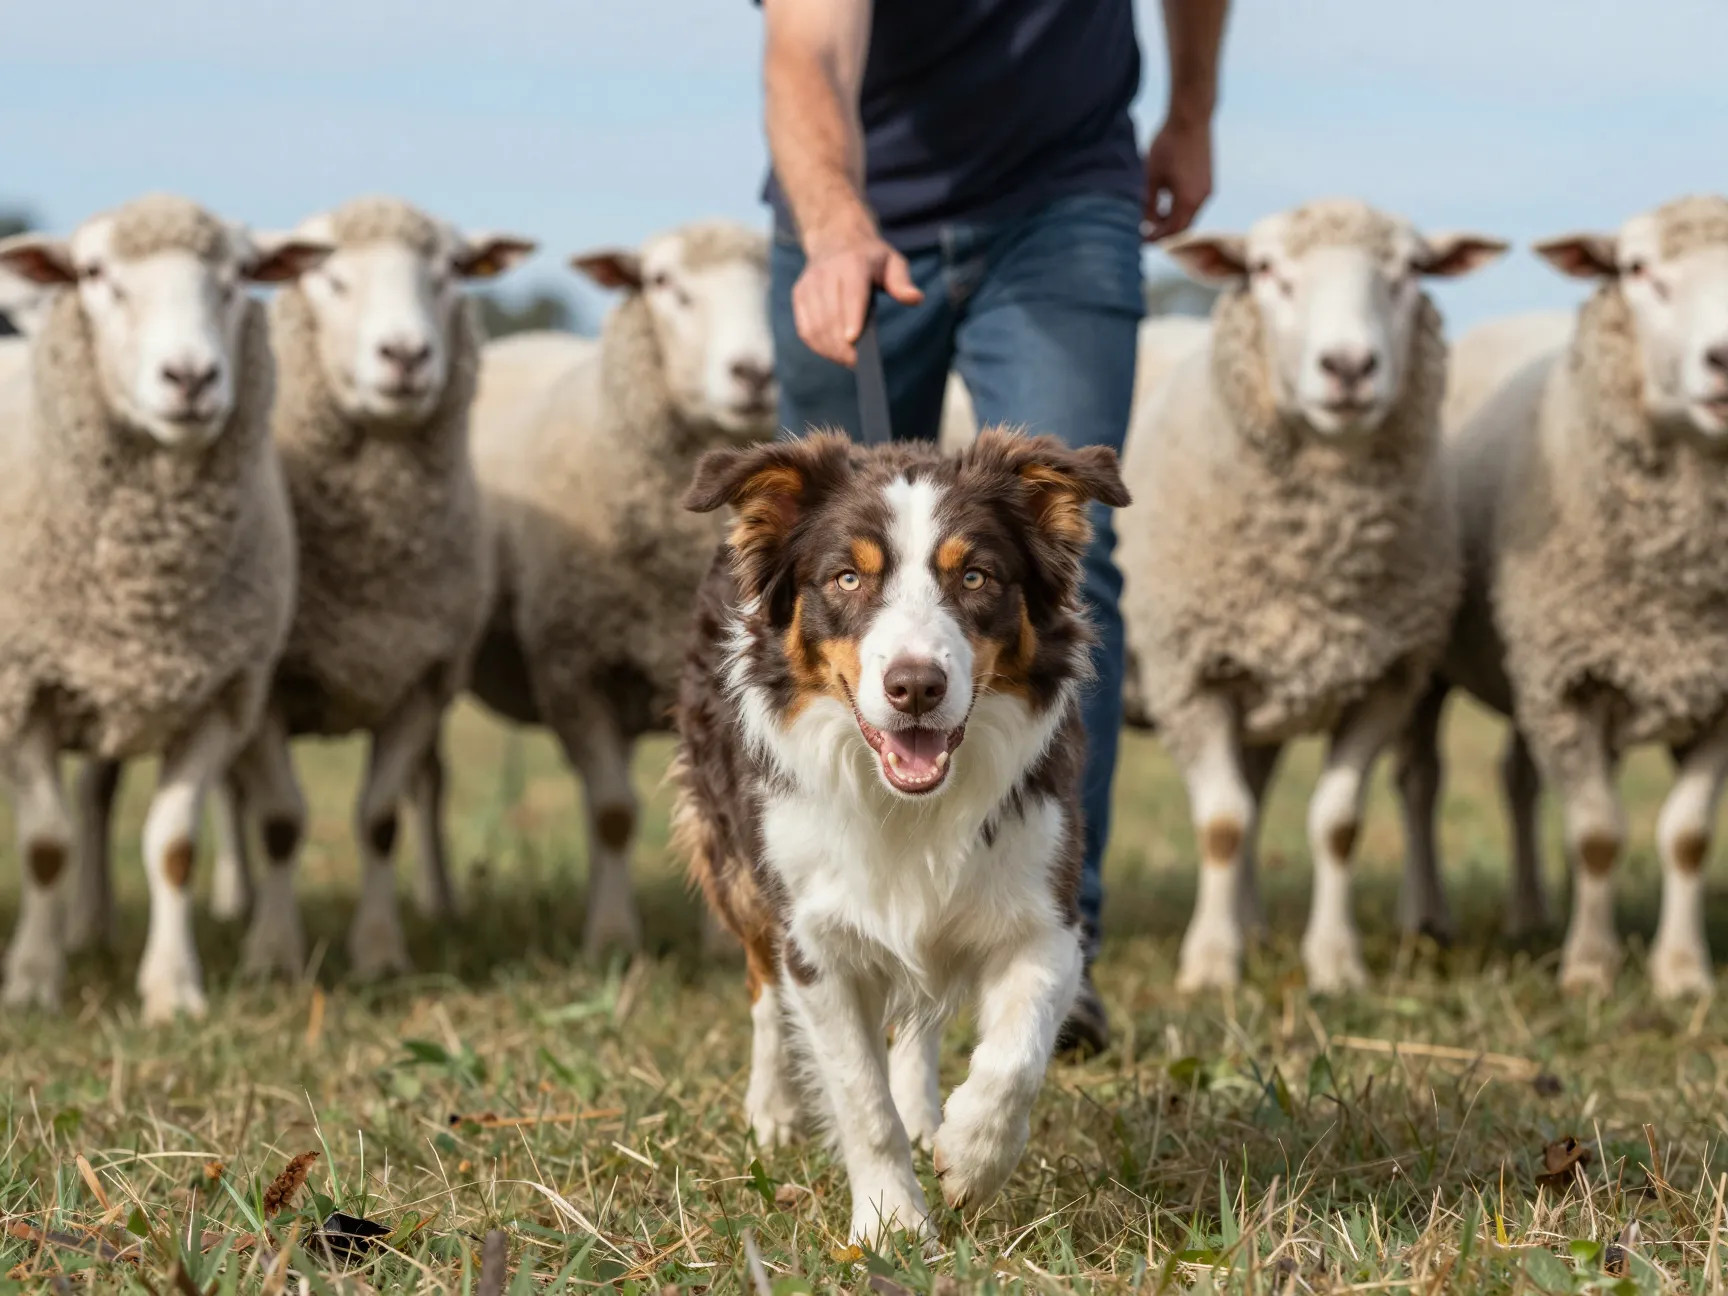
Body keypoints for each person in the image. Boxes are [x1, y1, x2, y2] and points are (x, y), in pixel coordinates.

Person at [755, 0, 1229, 1055]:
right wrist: (834, 230)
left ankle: (1051, 933)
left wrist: (1191, 110)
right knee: (835, 575)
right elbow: (807, 43)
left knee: (1054, 566)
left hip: (1064, 199)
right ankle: (848, 929)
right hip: (855, 210)